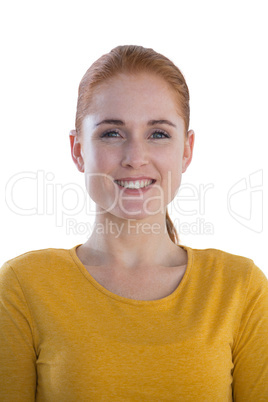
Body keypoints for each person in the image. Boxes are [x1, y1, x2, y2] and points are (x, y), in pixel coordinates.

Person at [0, 45, 267, 401]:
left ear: (186, 150)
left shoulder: (240, 288)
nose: (135, 158)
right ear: (78, 150)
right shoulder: (23, 286)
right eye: (112, 133)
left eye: (158, 134)